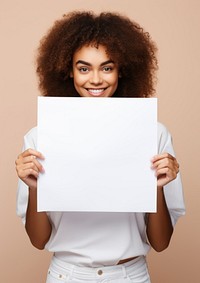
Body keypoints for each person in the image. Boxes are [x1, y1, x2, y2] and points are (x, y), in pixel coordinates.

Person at [15, 11, 185, 283]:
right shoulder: (39, 137)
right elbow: (38, 240)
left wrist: (157, 186)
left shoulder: (154, 134)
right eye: (84, 68)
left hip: (131, 275)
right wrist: (34, 188)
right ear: (68, 71)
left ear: (122, 70)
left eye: (107, 67)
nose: (95, 79)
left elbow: (161, 242)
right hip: (66, 275)